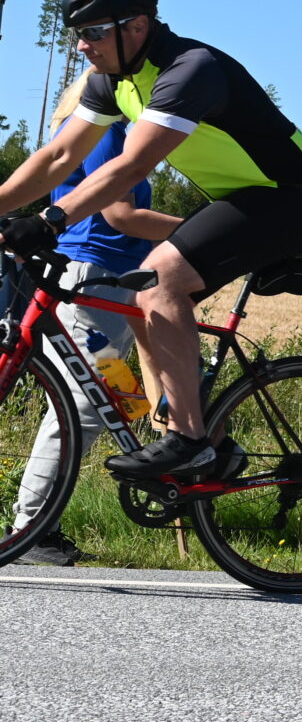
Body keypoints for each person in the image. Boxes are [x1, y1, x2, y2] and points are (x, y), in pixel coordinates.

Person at [0, 0, 302, 481]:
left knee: (160, 280)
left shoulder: (190, 70)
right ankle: (215, 445)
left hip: (286, 198)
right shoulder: (114, 80)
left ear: (136, 25)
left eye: (92, 33)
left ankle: (189, 440)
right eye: (77, 35)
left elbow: (131, 166)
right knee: (144, 299)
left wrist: (51, 220)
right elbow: (58, 156)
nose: (81, 47)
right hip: (240, 200)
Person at [11, 78, 185, 566]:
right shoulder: (107, 133)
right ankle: (32, 527)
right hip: (95, 276)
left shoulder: (94, 130)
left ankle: (35, 525)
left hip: (108, 277)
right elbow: (122, 215)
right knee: (85, 406)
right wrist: (203, 231)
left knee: (92, 399)